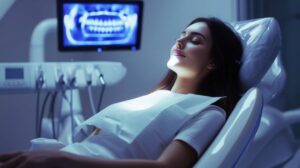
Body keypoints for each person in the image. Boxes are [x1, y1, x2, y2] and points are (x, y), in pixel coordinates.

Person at [0, 17, 243, 168]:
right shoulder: (154, 97)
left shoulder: (208, 111)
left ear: (213, 62)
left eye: (195, 40)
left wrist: (60, 160)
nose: (180, 42)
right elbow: (93, 144)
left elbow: (167, 167)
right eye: (182, 35)